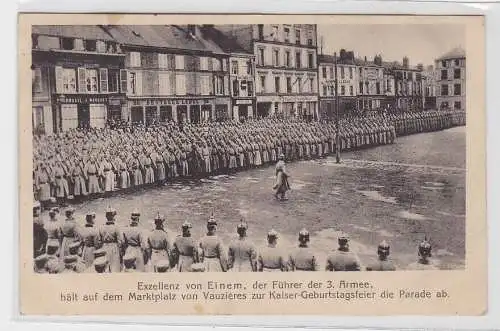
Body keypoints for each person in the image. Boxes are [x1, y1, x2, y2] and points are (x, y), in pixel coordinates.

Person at [98, 207, 122, 272]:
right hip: (114, 248)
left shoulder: (101, 227)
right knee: (114, 266)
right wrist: (121, 253)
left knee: (105, 267)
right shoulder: (116, 227)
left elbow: (99, 241)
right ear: (113, 216)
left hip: (104, 247)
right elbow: (120, 241)